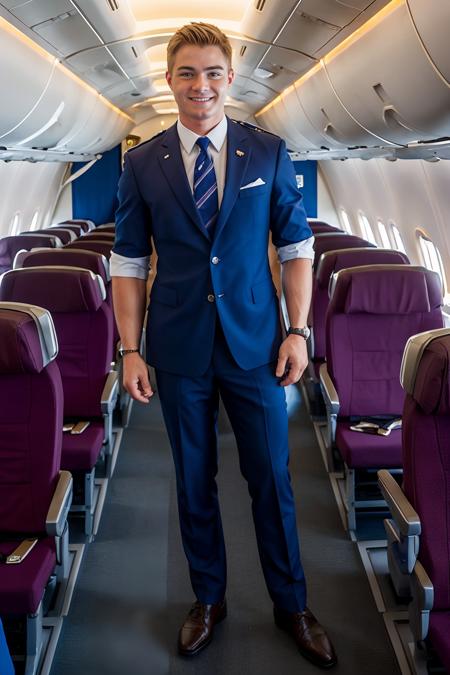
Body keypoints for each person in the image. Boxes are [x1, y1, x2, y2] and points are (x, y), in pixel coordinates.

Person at [111, 22, 337, 669]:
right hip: (179, 347)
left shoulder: (266, 153)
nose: (200, 86)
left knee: (271, 477)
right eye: (187, 73)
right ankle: (207, 598)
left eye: (212, 72)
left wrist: (298, 329)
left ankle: (292, 603)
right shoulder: (141, 163)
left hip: (258, 345)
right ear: (170, 80)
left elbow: (297, 250)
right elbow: (128, 263)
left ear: (229, 78)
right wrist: (129, 348)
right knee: (193, 480)